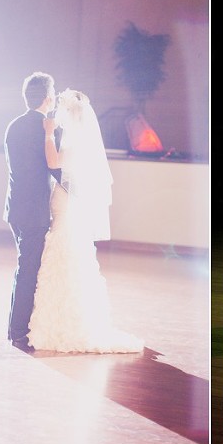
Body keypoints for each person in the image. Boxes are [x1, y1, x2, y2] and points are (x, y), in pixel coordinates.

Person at [27, 88, 144, 353]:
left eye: (61, 111)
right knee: (67, 254)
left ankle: (62, 323)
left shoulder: (72, 141)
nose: (57, 116)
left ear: (69, 114)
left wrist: (47, 133)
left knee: (64, 254)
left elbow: (53, 162)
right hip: (67, 205)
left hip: (66, 207)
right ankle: (59, 319)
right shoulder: (77, 139)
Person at [3, 71, 58, 353]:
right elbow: (57, 169)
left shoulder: (13, 125)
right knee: (28, 271)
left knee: (22, 268)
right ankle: (18, 331)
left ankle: (13, 327)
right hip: (35, 212)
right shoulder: (48, 129)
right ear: (48, 98)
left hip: (15, 209)